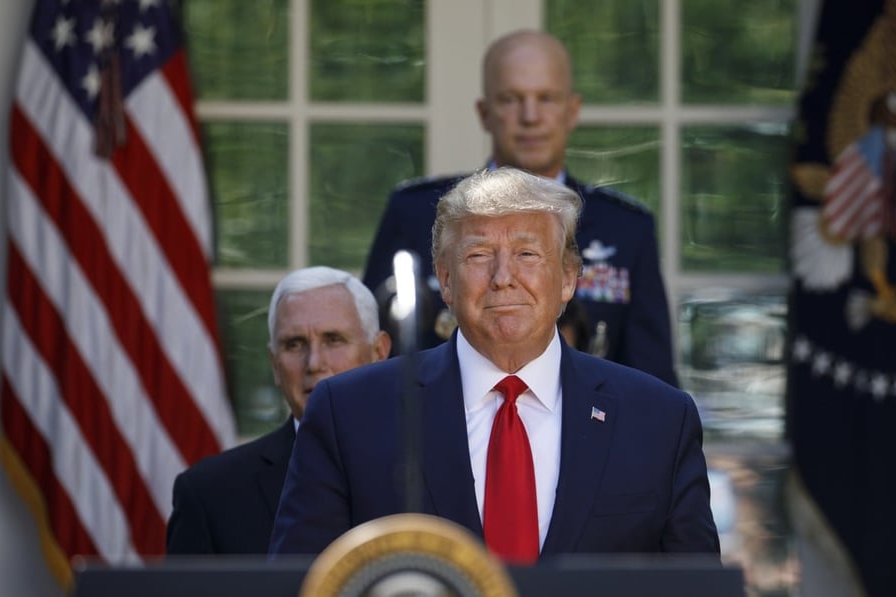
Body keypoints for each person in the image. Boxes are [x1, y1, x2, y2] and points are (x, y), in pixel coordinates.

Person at [270, 167, 719, 560]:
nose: (503, 278)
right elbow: (300, 584)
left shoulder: (659, 420)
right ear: (446, 280)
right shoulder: (349, 413)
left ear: (568, 278)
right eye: (479, 255)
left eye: (527, 254)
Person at [362, 29, 678, 385]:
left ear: (572, 111)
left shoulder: (625, 229)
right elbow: (373, 356)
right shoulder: (417, 213)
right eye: (511, 99)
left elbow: (653, 381)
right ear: (484, 113)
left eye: (546, 98)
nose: (530, 116)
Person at [166, 266, 391, 554]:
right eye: (294, 344)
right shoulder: (209, 494)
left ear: (379, 353)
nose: (314, 363)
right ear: (274, 364)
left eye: (333, 340)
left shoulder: (429, 469)